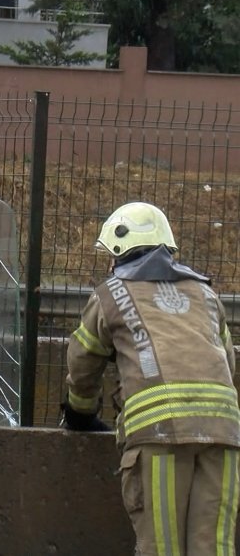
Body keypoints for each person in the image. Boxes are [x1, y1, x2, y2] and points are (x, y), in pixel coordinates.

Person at [63, 201, 240, 555]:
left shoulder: (110, 294)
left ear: (117, 251)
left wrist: (81, 413)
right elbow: (227, 362)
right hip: (224, 432)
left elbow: (83, 361)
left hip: (161, 433)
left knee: (162, 547)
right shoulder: (206, 294)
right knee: (214, 547)